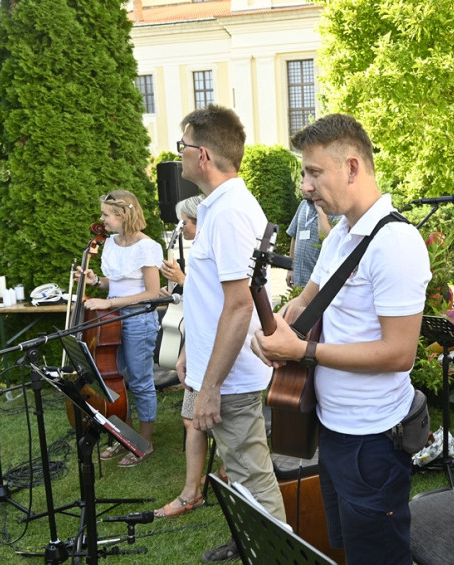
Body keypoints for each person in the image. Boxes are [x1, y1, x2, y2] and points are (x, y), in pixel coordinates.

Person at [251, 113, 431, 565]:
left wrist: (303, 351)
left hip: (372, 441)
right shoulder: (341, 236)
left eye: (313, 172)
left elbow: (399, 353)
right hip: (333, 429)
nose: (305, 186)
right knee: (352, 549)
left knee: (379, 557)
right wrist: (273, 331)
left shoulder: (396, 243)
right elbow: (304, 303)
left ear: (351, 167)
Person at [174, 105, 286, 562]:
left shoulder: (229, 212)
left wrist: (211, 386)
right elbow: (210, 298)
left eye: (182, 147)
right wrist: (191, 352)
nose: (178, 155)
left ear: (202, 155)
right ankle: (250, 543)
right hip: (219, 370)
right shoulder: (219, 208)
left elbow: (241, 306)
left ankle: (274, 553)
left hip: (231, 378)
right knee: (240, 477)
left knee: (253, 478)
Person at [77, 190, 163, 467]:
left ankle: (144, 443)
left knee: (139, 381)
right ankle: (124, 437)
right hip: (111, 320)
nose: (101, 219)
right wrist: (95, 281)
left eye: (106, 214)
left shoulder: (147, 246)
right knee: (113, 381)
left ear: (123, 215)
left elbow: (152, 293)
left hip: (138, 320)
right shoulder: (111, 243)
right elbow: (114, 283)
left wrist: (110, 301)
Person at [153, 194, 216, 519]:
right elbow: (194, 310)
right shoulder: (199, 252)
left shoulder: (215, 249)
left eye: (185, 222)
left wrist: (183, 282)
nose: (183, 228)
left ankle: (206, 485)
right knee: (191, 419)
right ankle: (194, 490)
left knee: (210, 423)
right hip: (199, 350)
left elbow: (215, 303)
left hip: (218, 356)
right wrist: (183, 351)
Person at [285, 176, 341, 288]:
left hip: (318, 284)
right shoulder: (302, 205)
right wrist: (291, 268)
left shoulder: (334, 211)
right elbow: (294, 236)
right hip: (298, 280)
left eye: (303, 183)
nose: (300, 187)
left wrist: (320, 212)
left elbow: (330, 242)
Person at [159, 194, 204, 292]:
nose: (181, 227)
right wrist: (175, 290)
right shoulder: (198, 247)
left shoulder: (211, 249)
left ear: (198, 220)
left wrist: (181, 279)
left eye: (183, 223)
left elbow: (212, 290)